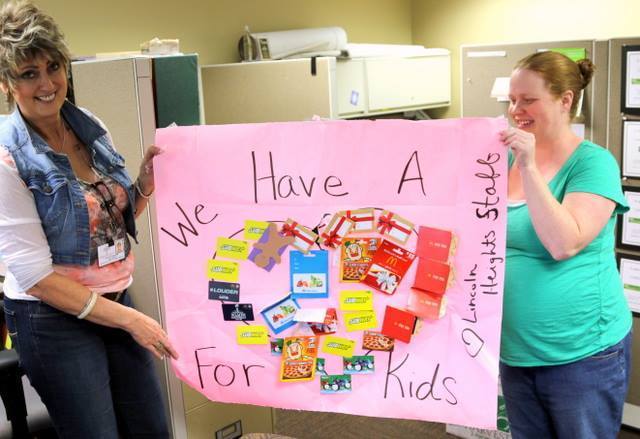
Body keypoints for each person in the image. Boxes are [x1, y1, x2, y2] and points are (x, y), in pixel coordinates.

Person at [0, 1, 178, 437]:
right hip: (50, 316)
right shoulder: (7, 156)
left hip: (113, 297)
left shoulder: (88, 126)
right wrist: (132, 321)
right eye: (28, 73)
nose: (47, 83)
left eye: (53, 66)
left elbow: (111, 221)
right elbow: (36, 276)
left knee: (151, 427)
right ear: (7, 83)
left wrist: (144, 185)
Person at [499, 51, 632, 439]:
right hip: (517, 350)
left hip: (582, 353)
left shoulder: (593, 163)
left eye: (528, 100)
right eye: (511, 99)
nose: (515, 110)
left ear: (566, 100)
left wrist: (528, 167)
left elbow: (564, 242)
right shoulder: (498, 161)